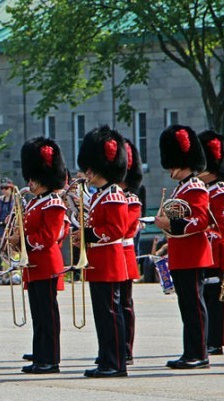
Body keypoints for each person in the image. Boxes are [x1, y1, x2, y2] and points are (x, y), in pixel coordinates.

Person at [155, 125, 212, 370]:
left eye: (172, 163)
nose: (169, 169)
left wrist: (172, 224)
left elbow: (201, 220)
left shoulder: (196, 187)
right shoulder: (183, 188)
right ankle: (191, 351)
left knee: (194, 306)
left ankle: (199, 353)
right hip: (181, 254)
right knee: (187, 307)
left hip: (193, 255)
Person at [75, 125, 129, 378]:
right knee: (103, 314)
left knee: (110, 313)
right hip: (99, 260)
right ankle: (106, 359)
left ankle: (115, 363)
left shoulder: (114, 196)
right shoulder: (100, 195)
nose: (87, 173)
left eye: (90, 168)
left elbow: (117, 229)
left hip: (109, 260)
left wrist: (88, 235)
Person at [18, 137, 67, 374]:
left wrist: (22, 240)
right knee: (38, 314)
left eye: (34, 178)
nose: (30, 182)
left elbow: (47, 237)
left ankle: (50, 359)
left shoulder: (53, 203)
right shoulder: (36, 202)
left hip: (46, 262)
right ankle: (41, 355)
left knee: (47, 315)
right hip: (34, 264)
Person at [197, 130, 224, 356]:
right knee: (204, 295)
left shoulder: (220, 192)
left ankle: (215, 340)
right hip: (203, 250)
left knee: (214, 297)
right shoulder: (205, 190)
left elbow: (220, 228)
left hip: (215, 250)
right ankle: (207, 338)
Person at [120, 139, 144, 364]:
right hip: (109, 256)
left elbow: (124, 229)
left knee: (124, 304)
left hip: (123, 255)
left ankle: (126, 348)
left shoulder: (131, 200)